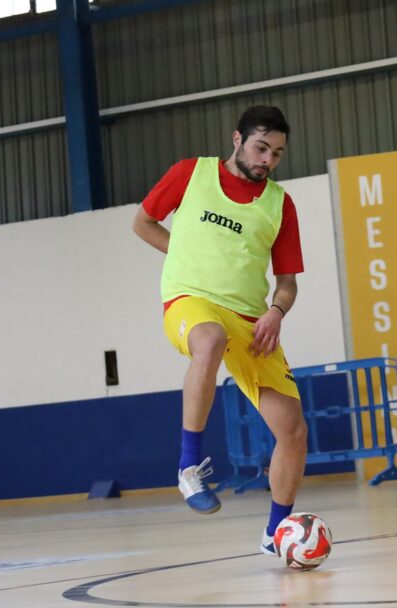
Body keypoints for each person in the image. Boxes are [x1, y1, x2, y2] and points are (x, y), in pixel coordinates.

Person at [131, 105, 307, 555]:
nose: (268, 160)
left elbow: (287, 283)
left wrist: (275, 313)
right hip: (192, 299)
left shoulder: (280, 205)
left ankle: (275, 533)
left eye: (278, 153)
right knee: (208, 340)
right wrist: (182, 255)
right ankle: (189, 467)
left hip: (252, 319)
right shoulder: (191, 173)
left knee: (291, 429)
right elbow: (143, 222)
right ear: (237, 139)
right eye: (260, 147)